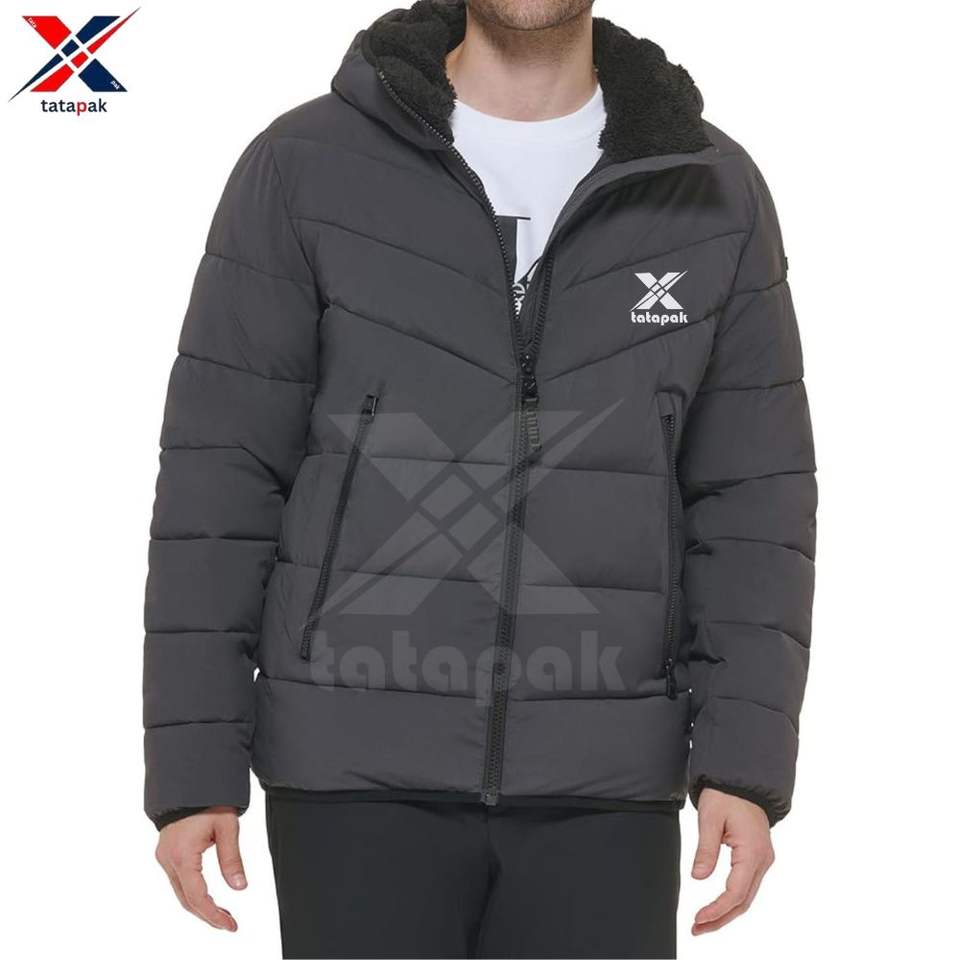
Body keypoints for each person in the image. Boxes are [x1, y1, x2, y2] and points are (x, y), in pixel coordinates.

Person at [145, 1, 816, 956]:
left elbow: (754, 500)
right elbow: (220, 476)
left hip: (607, 782)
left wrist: (743, 766)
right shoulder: (305, 166)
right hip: (352, 770)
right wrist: (193, 766)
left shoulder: (709, 188)